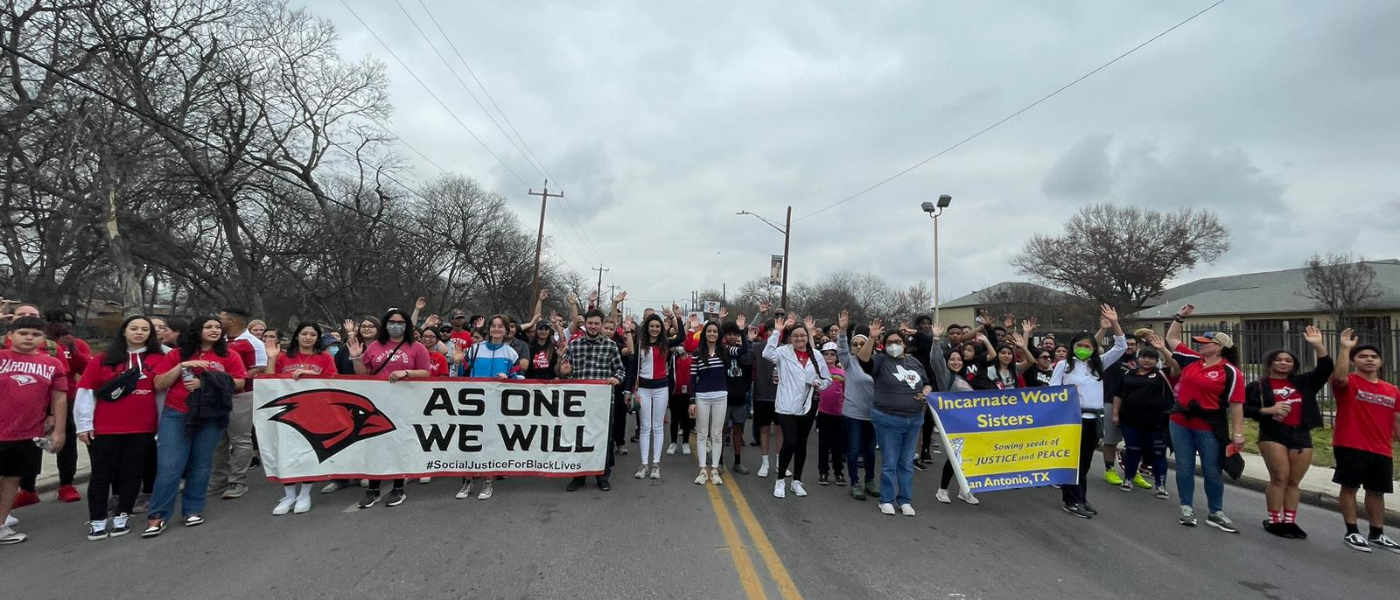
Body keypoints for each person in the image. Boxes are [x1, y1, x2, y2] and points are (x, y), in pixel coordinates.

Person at [145, 317, 248, 537]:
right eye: (208, 327)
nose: (214, 331)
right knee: (170, 466)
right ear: (196, 330)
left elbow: (239, 382)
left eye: (217, 328)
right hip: (176, 414)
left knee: (201, 465)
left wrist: (207, 381)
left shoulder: (229, 355)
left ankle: (192, 509)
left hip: (211, 415)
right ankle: (158, 515)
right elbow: (159, 383)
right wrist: (182, 366)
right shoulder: (177, 354)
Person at [74, 315, 165, 540]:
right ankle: (97, 520)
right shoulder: (104, 358)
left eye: (145, 329)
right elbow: (86, 391)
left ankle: (123, 515)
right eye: (134, 328)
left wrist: (163, 426)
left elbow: (163, 394)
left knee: (132, 474)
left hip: (142, 427)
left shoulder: (159, 358)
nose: (139, 332)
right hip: (105, 428)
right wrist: (83, 425)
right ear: (124, 331)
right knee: (101, 475)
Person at [1244, 325, 1332, 538]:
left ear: (1294, 365)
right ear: (1270, 363)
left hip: (1301, 434)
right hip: (1273, 434)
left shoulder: (1304, 382)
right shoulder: (1258, 386)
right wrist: (1268, 410)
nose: (1283, 363)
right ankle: (1275, 520)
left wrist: (1318, 345)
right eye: (1279, 359)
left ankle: (1290, 521)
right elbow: (1245, 408)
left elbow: (1326, 368)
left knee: (1294, 481)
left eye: (1288, 360)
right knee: (1280, 478)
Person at [1164, 305, 1244, 532]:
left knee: (1212, 469)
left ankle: (1216, 511)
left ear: (1219, 348)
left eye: (1205, 342)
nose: (1200, 344)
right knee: (1184, 467)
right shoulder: (1192, 360)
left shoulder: (1231, 372)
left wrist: (1238, 433)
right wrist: (1180, 317)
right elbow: (1171, 338)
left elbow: (1237, 404)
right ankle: (1186, 507)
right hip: (1180, 422)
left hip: (1209, 426)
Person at [348, 308, 431, 508]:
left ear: (407, 326)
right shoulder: (376, 346)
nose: (396, 325)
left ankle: (397, 488)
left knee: (398, 445)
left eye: (400, 322)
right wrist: (356, 357)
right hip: (377, 404)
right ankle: (374, 489)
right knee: (376, 445)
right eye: (392, 322)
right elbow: (364, 373)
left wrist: (406, 372)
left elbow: (426, 373)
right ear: (385, 325)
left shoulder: (417, 347)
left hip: (404, 405)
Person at [1051, 305, 1127, 519]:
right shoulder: (1063, 366)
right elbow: (1051, 391)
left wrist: (1114, 323)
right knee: (1072, 461)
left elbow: (1120, 347)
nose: (1083, 348)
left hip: (1094, 420)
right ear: (1072, 346)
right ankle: (1071, 499)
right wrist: (1067, 393)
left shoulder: (1099, 364)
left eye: (1087, 346)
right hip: (1072, 419)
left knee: (1084, 462)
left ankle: (1081, 497)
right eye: (1079, 345)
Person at [0, 316, 70, 544]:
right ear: (10, 335)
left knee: (11, 479)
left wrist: (59, 431)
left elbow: (59, 399)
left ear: (43, 338)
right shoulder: (2, 358)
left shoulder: (53, 364)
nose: (29, 338)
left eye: (35, 334)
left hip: (26, 433)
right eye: (23, 333)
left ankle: (1, 525)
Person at [1330, 328, 1400, 553]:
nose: (1369, 360)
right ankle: (1352, 531)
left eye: (1373, 357)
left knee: (1377, 491)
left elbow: (1397, 420)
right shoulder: (1348, 382)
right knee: (1349, 487)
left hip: (1381, 449)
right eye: (1363, 356)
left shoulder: (1393, 390)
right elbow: (1339, 377)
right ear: (1353, 362)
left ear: (1380, 362)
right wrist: (1345, 348)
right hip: (1350, 444)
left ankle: (1377, 533)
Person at [262, 323, 337, 515]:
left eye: (313, 334)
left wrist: (312, 374)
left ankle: (305, 493)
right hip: (286, 413)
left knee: (308, 452)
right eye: (304, 333)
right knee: (286, 452)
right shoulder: (284, 357)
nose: (308, 337)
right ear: (297, 336)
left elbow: (334, 382)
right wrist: (271, 359)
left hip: (314, 412)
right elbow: (269, 380)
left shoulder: (325, 357)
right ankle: (288, 494)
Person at [855, 318, 928, 515]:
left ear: (904, 344)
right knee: (890, 461)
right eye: (889, 342)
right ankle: (886, 499)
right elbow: (863, 359)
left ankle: (904, 500)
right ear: (884, 345)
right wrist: (871, 337)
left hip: (914, 419)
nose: (893, 346)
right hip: (887, 418)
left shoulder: (914, 362)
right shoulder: (880, 360)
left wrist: (927, 392)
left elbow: (927, 382)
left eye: (898, 342)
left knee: (905, 462)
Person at [764, 314, 831, 499]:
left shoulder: (816, 355)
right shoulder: (783, 352)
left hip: (808, 404)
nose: (799, 339)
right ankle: (780, 480)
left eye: (802, 336)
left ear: (807, 337)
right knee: (790, 441)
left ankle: (796, 481)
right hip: (786, 404)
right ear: (790, 338)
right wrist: (777, 332)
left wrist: (818, 383)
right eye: (795, 336)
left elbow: (827, 379)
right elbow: (767, 354)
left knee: (801, 444)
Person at [562, 309, 625, 492]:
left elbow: (620, 370)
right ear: (585, 324)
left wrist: (617, 379)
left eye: (597, 323)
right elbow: (565, 371)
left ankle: (602, 476)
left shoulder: (610, 346)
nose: (594, 326)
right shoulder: (574, 346)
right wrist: (564, 371)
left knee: (603, 439)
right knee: (578, 437)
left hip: (602, 403)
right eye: (590, 323)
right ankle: (578, 476)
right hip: (578, 403)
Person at [209, 307, 266, 501]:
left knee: (240, 438)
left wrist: (229, 382)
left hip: (242, 395)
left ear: (232, 321)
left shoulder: (253, 342)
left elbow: (259, 369)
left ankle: (237, 480)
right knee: (218, 440)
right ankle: (218, 479)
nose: (217, 322)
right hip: (217, 396)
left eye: (221, 319)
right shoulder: (219, 342)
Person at [1110, 342, 1178, 501]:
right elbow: (1118, 395)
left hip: (1157, 423)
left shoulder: (1163, 374)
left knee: (1158, 453)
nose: (1147, 360)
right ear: (1138, 358)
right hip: (1131, 421)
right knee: (1133, 451)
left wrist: (1162, 349)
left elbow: (1177, 367)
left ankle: (1160, 485)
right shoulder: (1128, 374)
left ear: (1156, 360)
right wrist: (1115, 415)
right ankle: (1128, 480)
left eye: (1151, 358)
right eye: (1144, 357)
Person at [627, 313, 683, 479]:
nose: (654, 329)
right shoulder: (640, 344)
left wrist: (675, 317)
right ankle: (644, 464)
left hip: (661, 388)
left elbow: (681, 336)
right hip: (643, 388)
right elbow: (632, 368)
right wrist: (628, 391)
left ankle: (656, 465)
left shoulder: (665, 343)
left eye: (657, 326)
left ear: (661, 328)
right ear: (647, 327)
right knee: (645, 427)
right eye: (651, 326)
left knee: (657, 427)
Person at [930, 344, 980, 505]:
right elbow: (936, 360)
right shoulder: (946, 376)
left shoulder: (963, 377)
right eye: (952, 359)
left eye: (959, 359)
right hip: (954, 424)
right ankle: (942, 490)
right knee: (954, 457)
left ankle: (965, 490)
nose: (956, 362)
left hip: (969, 424)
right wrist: (936, 340)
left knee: (967, 458)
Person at [837, 311, 877, 501]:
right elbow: (842, 350)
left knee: (870, 451)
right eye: (856, 344)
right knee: (853, 451)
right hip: (854, 414)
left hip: (874, 415)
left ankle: (869, 480)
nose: (859, 347)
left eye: (863, 344)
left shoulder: (877, 363)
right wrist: (843, 331)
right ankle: (855, 482)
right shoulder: (849, 363)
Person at [689, 320, 730, 485]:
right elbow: (692, 379)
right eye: (709, 331)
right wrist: (692, 400)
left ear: (719, 334)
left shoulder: (724, 352)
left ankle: (714, 469)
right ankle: (702, 469)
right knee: (702, 433)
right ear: (704, 333)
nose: (712, 334)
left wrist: (741, 331)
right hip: (702, 396)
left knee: (717, 434)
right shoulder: (697, 353)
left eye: (715, 331)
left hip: (721, 395)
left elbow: (743, 351)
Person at [751, 302, 783, 477]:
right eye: (770, 330)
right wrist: (759, 314)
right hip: (762, 394)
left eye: (775, 330)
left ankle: (780, 462)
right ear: (766, 332)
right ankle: (765, 463)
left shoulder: (786, 349)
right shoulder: (757, 347)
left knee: (779, 430)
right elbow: (749, 331)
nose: (772, 333)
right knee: (764, 429)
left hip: (781, 396)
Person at [721, 321, 755, 474]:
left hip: (739, 396)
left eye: (735, 334)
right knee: (721, 430)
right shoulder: (722, 350)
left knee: (738, 429)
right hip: (724, 397)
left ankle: (737, 461)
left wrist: (744, 390)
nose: (733, 337)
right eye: (729, 334)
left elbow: (747, 359)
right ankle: (719, 460)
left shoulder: (743, 352)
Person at [815, 341, 846, 486]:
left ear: (837, 357)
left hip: (839, 413)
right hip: (823, 412)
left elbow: (844, 391)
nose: (829, 357)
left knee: (838, 445)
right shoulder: (819, 372)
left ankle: (838, 472)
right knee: (823, 444)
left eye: (832, 354)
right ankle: (823, 471)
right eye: (826, 354)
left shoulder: (841, 373)